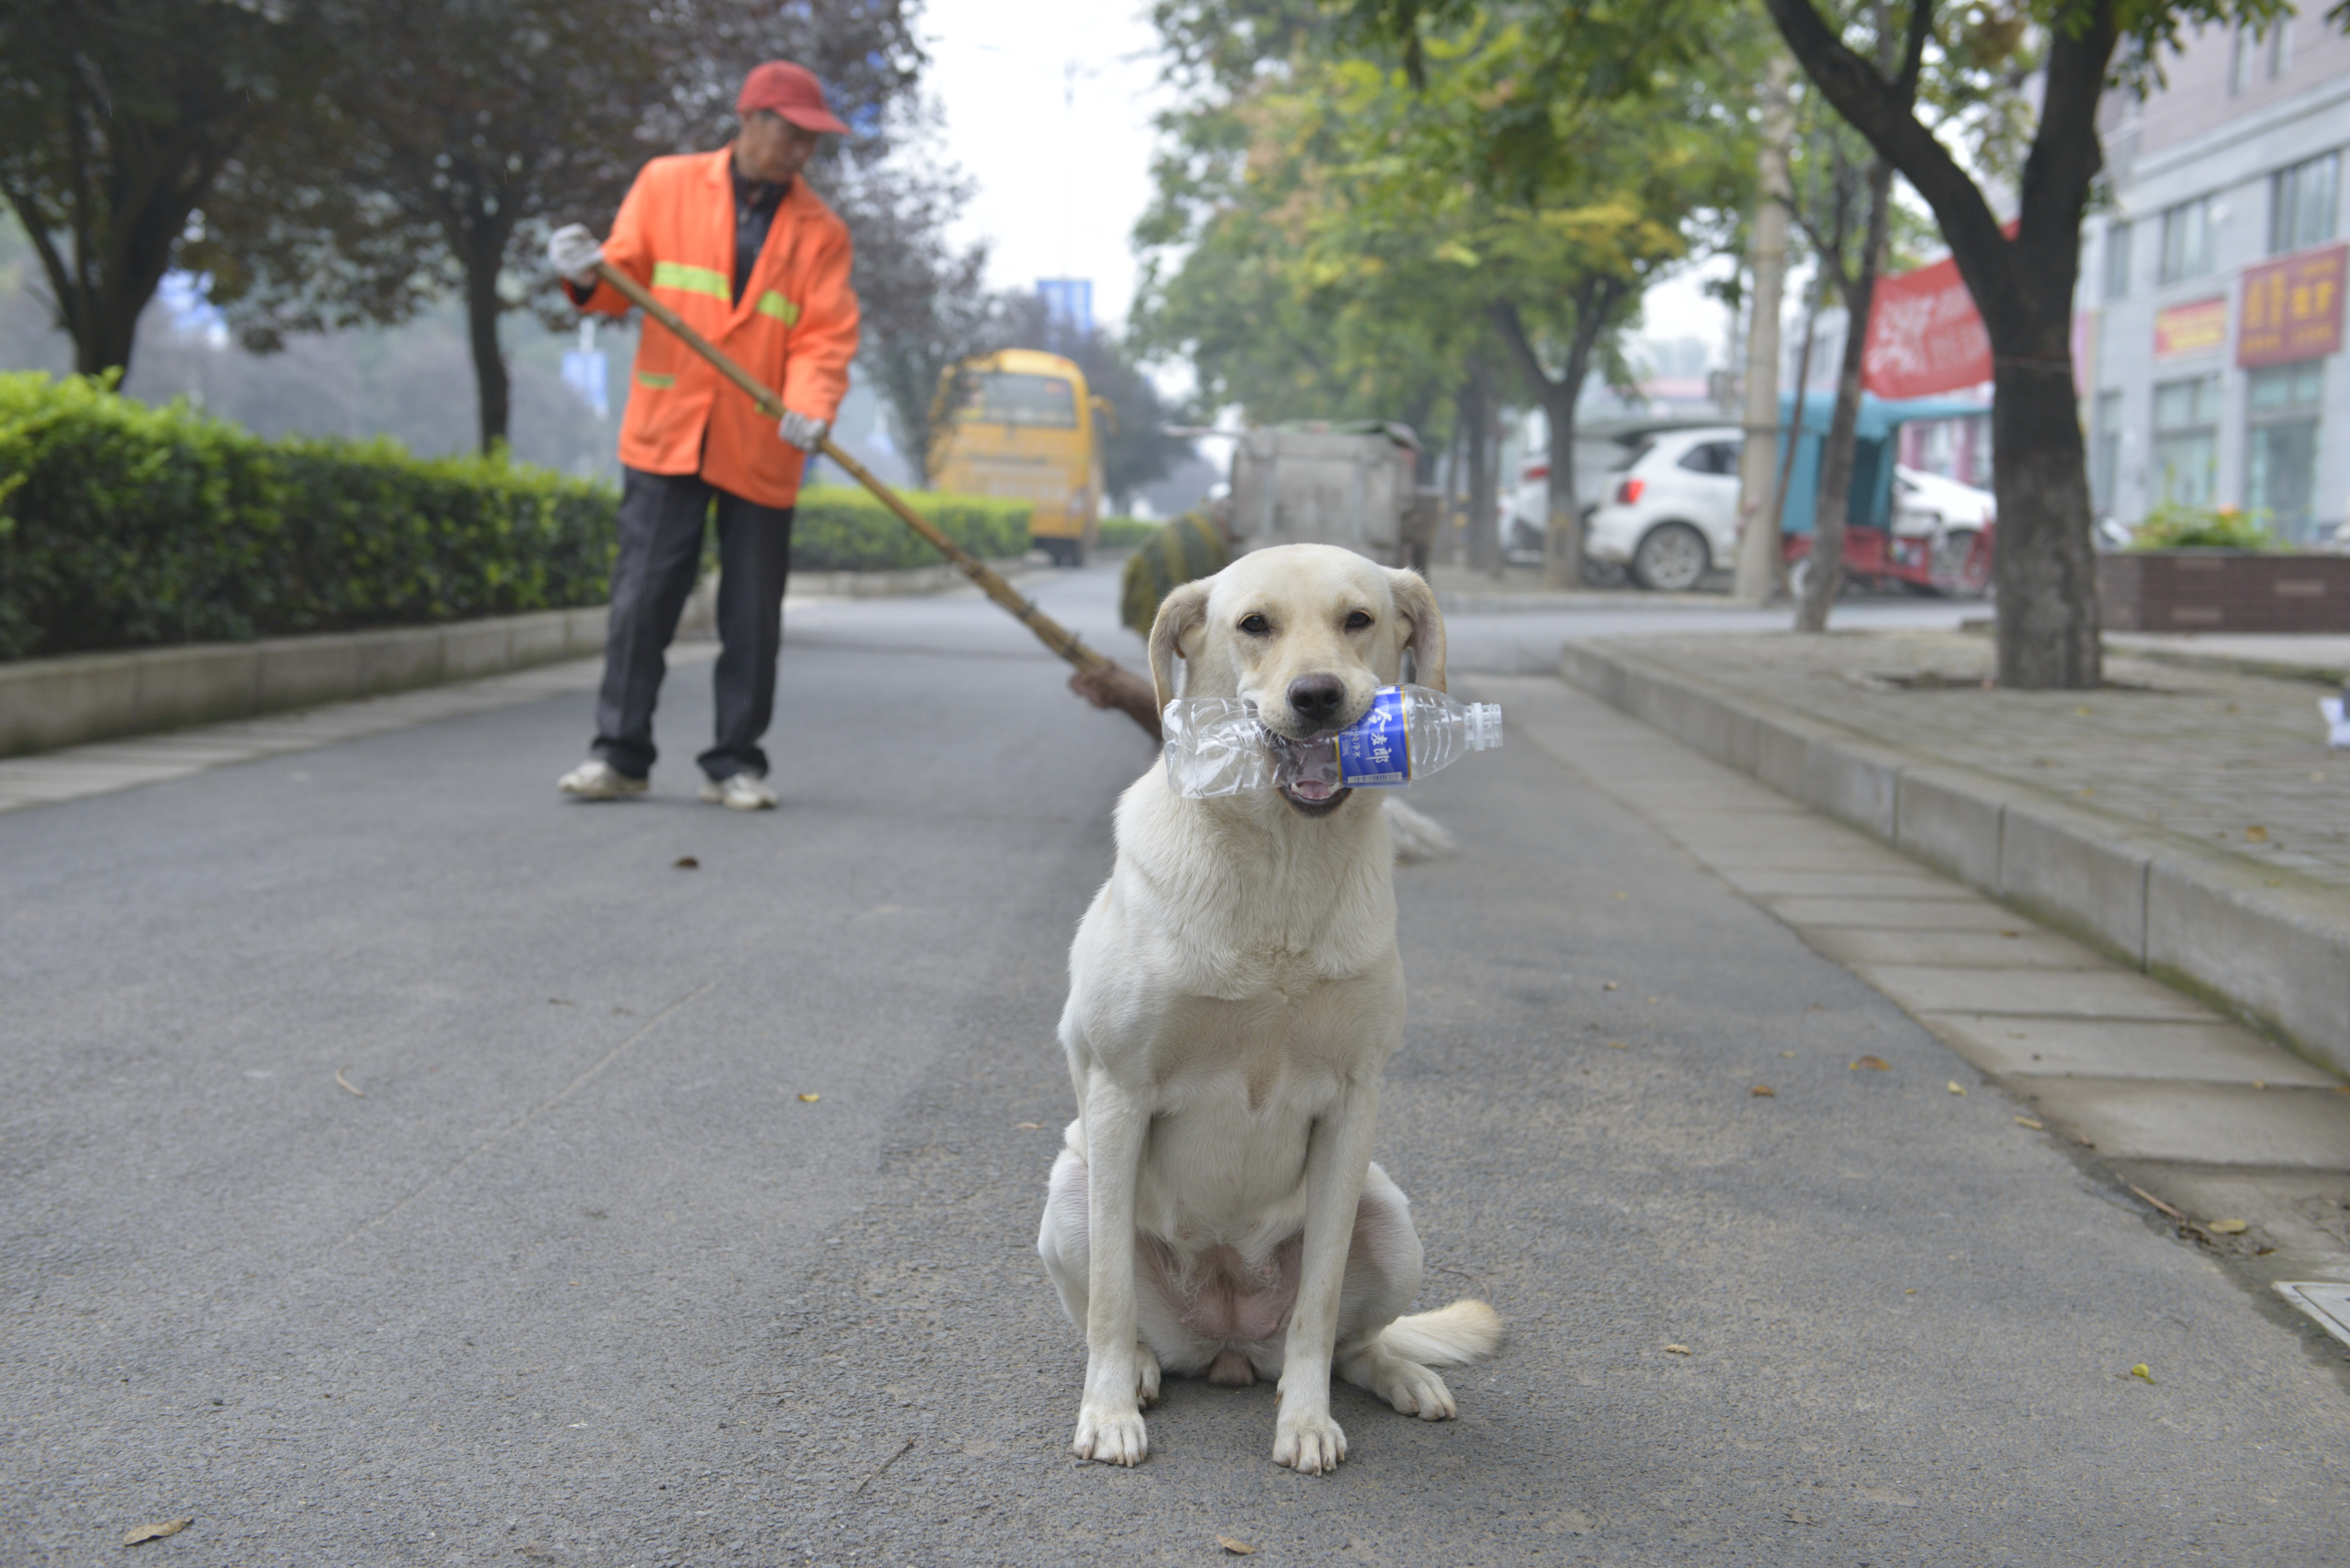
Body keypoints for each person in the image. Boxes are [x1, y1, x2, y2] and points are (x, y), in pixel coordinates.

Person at [545, 60, 859, 809]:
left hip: (764, 439)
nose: (801, 151)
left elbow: (823, 336)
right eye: (791, 133)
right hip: (669, 431)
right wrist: (583, 274)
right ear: (749, 120)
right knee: (642, 601)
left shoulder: (822, 232)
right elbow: (617, 280)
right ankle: (620, 754)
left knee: (751, 615)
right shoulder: (666, 185)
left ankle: (735, 761)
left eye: (813, 139)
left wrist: (812, 405)